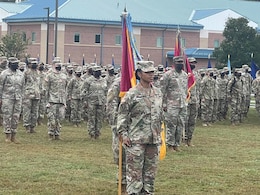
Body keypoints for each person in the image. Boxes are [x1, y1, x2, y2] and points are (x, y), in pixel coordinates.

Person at [117, 61, 163, 195]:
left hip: (153, 139)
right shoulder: (132, 94)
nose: (151, 74)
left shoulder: (158, 92)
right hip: (136, 140)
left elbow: (160, 114)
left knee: (150, 176)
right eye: (147, 72)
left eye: (152, 72)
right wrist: (123, 134)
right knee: (135, 176)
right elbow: (122, 115)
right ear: (139, 73)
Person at [161, 56, 188, 151]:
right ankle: (170, 144)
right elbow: (162, 90)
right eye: (178, 62)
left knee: (180, 124)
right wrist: (163, 104)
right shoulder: (168, 75)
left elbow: (185, 89)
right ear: (174, 63)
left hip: (182, 104)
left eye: (182, 62)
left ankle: (177, 144)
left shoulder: (185, 75)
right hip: (171, 104)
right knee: (171, 125)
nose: (181, 64)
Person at [0, 59, 24, 143]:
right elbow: (0, 86)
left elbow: (22, 86)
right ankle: (7, 135)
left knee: (16, 116)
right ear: (10, 64)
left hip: (18, 98)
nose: (16, 65)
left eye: (17, 64)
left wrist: (22, 97)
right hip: (7, 97)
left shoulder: (21, 74)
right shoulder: (4, 73)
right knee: (7, 116)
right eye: (14, 64)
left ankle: (14, 135)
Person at [81, 65, 107, 139]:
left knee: (99, 118)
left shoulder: (103, 80)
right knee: (92, 118)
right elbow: (83, 91)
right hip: (91, 102)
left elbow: (106, 90)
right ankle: (91, 133)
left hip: (101, 102)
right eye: (97, 71)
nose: (98, 73)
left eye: (99, 71)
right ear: (93, 72)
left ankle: (97, 133)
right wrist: (85, 101)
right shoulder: (88, 80)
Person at [45, 61, 68, 140]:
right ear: (53, 65)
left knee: (60, 118)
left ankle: (57, 134)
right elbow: (46, 89)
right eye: (57, 65)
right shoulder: (49, 76)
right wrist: (47, 102)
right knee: (52, 119)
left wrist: (65, 102)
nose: (59, 66)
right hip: (52, 100)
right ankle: (51, 134)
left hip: (61, 101)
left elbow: (65, 89)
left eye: (60, 64)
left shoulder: (64, 76)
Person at [23, 60, 41, 133]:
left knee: (35, 112)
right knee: (27, 111)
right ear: (29, 64)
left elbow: (40, 84)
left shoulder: (39, 73)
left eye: (35, 64)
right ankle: (27, 126)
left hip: (36, 95)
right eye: (33, 64)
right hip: (28, 95)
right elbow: (22, 83)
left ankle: (32, 127)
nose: (34, 65)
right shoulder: (26, 73)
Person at [185, 57, 199, 147]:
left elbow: (198, 88)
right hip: (186, 100)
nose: (193, 64)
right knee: (185, 121)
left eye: (194, 63)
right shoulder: (184, 74)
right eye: (191, 63)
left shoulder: (196, 74)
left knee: (192, 121)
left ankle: (189, 139)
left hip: (194, 100)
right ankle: (184, 139)